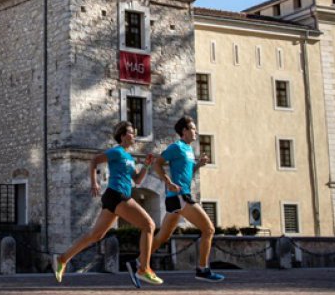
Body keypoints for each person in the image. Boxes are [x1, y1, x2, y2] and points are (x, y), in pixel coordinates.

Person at [53, 121, 162, 287]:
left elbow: (137, 180)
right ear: (123, 136)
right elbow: (94, 161)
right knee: (149, 225)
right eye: (131, 132)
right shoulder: (116, 151)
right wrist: (94, 182)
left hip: (116, 197)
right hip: (117, 195)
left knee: (95, 235)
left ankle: (62, 259)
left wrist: (146, 165)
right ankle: (143, 269)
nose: (134, 135)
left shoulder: (130, 158)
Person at [150, 116, 225, 282]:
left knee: (162, 237)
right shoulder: (176, 147)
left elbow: (187, 175)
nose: (196, 132)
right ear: (184, 131)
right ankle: (203, 270)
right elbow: (157, 163)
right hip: (180, 196)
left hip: (178, 198)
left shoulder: (189, 150)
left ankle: (138, 262)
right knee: (209, 230)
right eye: (193, 128)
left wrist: (199, 165)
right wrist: (168, 182)